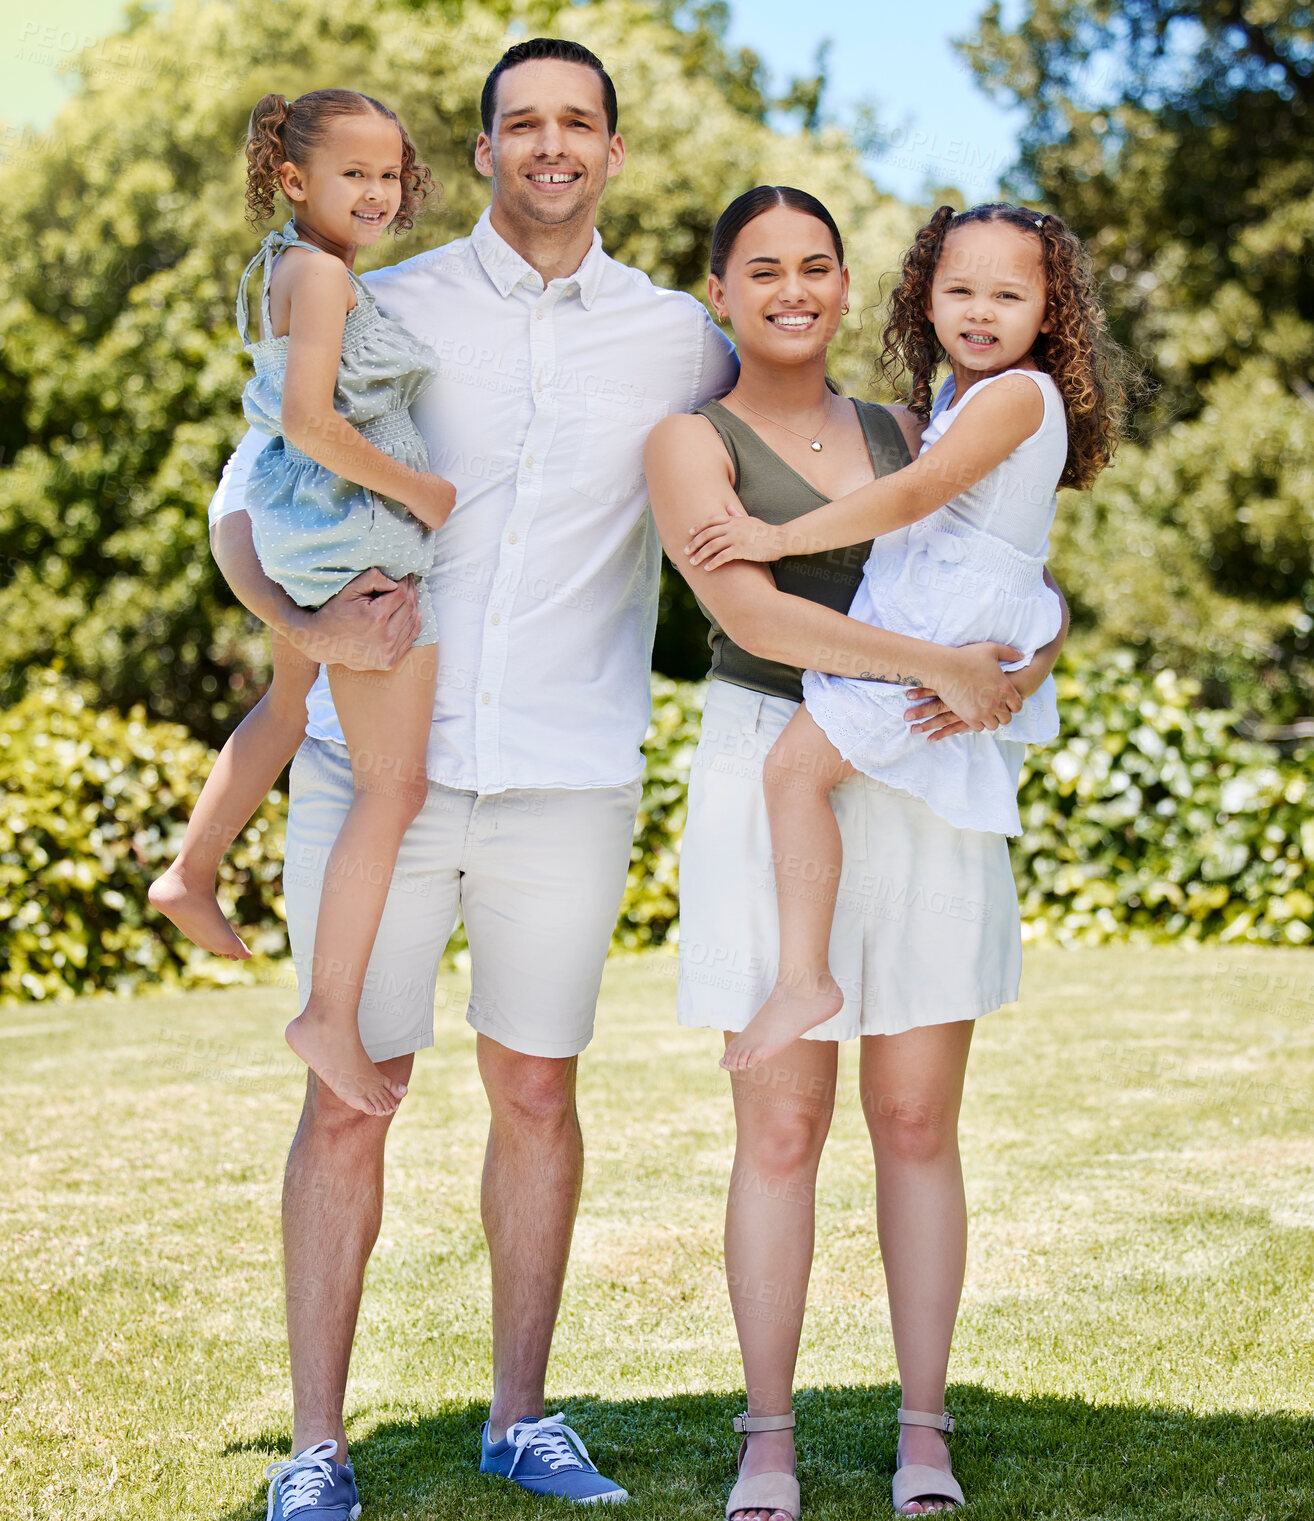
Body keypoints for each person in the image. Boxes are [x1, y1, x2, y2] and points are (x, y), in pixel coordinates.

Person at [205, 39, 738, 1520]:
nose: (549, 146)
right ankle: (317, 1447)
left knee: (535, 1091)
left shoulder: (677, 340)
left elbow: (796, 435)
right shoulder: (389, 298)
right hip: (374, 762)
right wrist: (305, 627)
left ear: (612, 153)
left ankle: (521, 1417)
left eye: (577, 124)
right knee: (350, 1100)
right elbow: (242, 499)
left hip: (568, 775)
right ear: (486, 148)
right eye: (521, 125)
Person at [644, 187, 1094, 1518]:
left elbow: (1001, 559)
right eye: (761, 269)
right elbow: (756, 613)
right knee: (781, 1126)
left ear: (851, 288)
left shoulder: (924, 420)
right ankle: (767, 1438)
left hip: (916, 772)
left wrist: (1022, 663)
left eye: (816, 266)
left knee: (913, 1118)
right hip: (778, 766)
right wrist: (944, 667)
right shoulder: (688, 440)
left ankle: (921, 1432)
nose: (792, 289)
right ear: (717, 291)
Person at [683, 201, 1121, 1073]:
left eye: (1008, 295)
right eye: (959, 289)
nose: (980, 312)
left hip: (939, 621)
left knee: (794, 770)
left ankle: (806, 978)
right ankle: (811, 977)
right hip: (941, 619)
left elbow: (913, 497)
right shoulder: (959, 398)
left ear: (1050, 311)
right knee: (800, 775)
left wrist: (776, 538)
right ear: (925, 299)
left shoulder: (1016, 397)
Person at [150, 89, 456, 1119]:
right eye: (352, 173)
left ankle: (192, 871)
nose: (377, 191)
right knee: (393, 789)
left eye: (388, 173)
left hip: (304, 532)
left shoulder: (285, 266)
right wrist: (420, 494)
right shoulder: (320, 275)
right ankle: (329, 1012)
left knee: (290, 709)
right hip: (353, 540)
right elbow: (310, 421)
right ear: (292, 179)